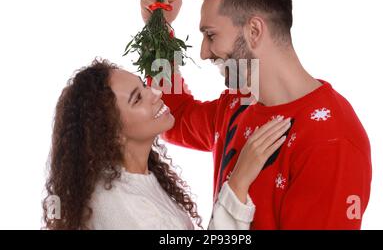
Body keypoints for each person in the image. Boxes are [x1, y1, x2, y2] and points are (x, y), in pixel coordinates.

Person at [140, 0, 372, 229]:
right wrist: (157, 30)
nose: (203, 53)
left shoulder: (331, 140)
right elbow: (173, 116)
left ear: (254, 31)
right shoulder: (240, 101)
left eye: (211, 35)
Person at [42, 59, 290, 229]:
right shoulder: (117, 205)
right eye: (138, 98)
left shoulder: (138, 176)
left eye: (143, 84)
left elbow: (177, 108)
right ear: (112, 132)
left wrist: (159, 25)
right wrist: (238, 182)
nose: (156, 93)